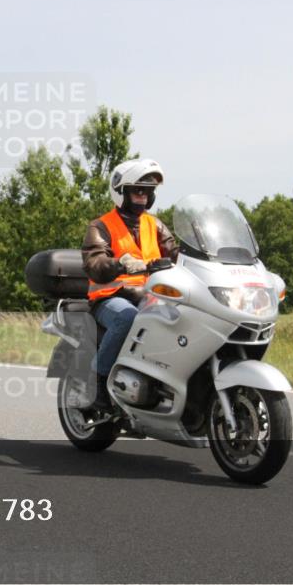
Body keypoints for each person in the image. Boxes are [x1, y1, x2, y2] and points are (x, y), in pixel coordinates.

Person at [81, 159, 178, 408]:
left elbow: (178, 253)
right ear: (121, 191)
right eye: (137, 190)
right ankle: (99, 382)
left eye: (148, 191)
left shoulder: (155, 225)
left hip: (151, 297)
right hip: (111, 298)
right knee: (128, 318)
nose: (143, 197)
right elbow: (95, 265)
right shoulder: (100, 226)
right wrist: (120, 263)